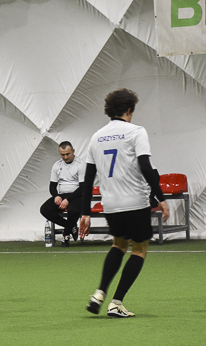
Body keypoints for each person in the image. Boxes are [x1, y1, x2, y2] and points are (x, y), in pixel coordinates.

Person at [80, 88, 170, 318]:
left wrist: (85, 212)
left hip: (110, 204)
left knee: (118, 245)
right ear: (129, 110)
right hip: (135, 201)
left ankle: (99, 293)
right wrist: (161, 198)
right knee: (139, 250)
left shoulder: (96, 137)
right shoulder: (136, 132)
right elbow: (146, 166)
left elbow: (88, 178)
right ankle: (116, 302)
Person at [40, 141, 84, 247]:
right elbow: (52, 186)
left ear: (73, 151)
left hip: (77, 195)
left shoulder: (81, 165)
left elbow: (83, 187)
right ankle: (70, 226)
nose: (65, 157)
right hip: (62, 195)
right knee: (44, 209)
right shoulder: (57, 165)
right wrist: (56, 196)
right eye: (62, 155)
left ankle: (66, 235)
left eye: (67, 154)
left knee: (73, 210)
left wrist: (68, 199)